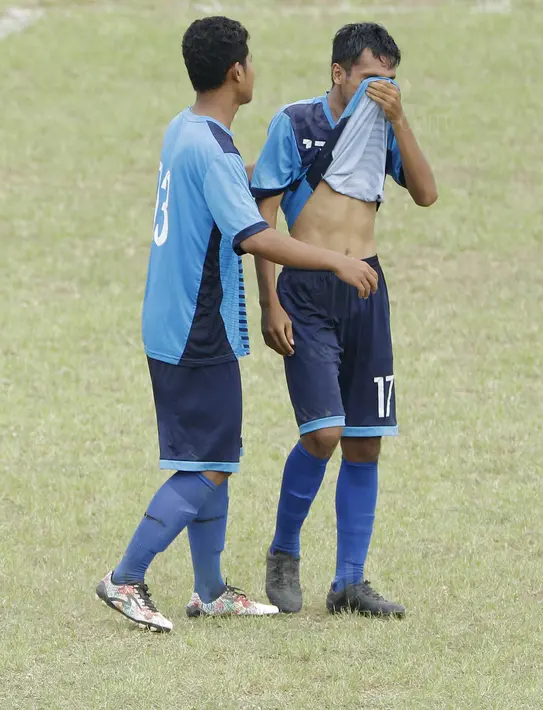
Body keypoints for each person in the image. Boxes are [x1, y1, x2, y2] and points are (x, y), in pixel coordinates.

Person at [94, 16, 380, 634]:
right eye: (250, 60)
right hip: (197, 327)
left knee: (215, 454)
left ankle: (209, 589)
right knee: (208, 466)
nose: (255, 69)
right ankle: (126, 576)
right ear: (236, 72)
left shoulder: (183, 128)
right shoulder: (216, 151)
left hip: (175, 318)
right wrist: (335, 258)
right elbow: (255, 236)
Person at [250, 22, 436, 617]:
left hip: (366, 292)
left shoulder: (384, 128)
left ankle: (349, 582)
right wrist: (270, 300)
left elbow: (427, 194)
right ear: (339, 74)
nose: (382, 90)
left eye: (390, 80)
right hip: (305, 294)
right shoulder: (295, 123)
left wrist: (401, 120)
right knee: (323, 433)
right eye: (370, 79)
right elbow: (264, 217)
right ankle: (283, 552)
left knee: (364, 443)